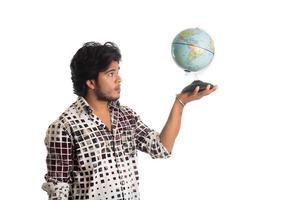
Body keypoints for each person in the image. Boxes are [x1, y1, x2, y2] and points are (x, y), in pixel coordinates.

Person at [42, 41, 217, 200]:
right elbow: (58, 189)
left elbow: (161, 148)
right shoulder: (65, 127)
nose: (119, 79)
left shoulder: (126, 116)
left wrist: (180, 103)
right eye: (110, 74)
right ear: (91, 82)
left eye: (117, 72)